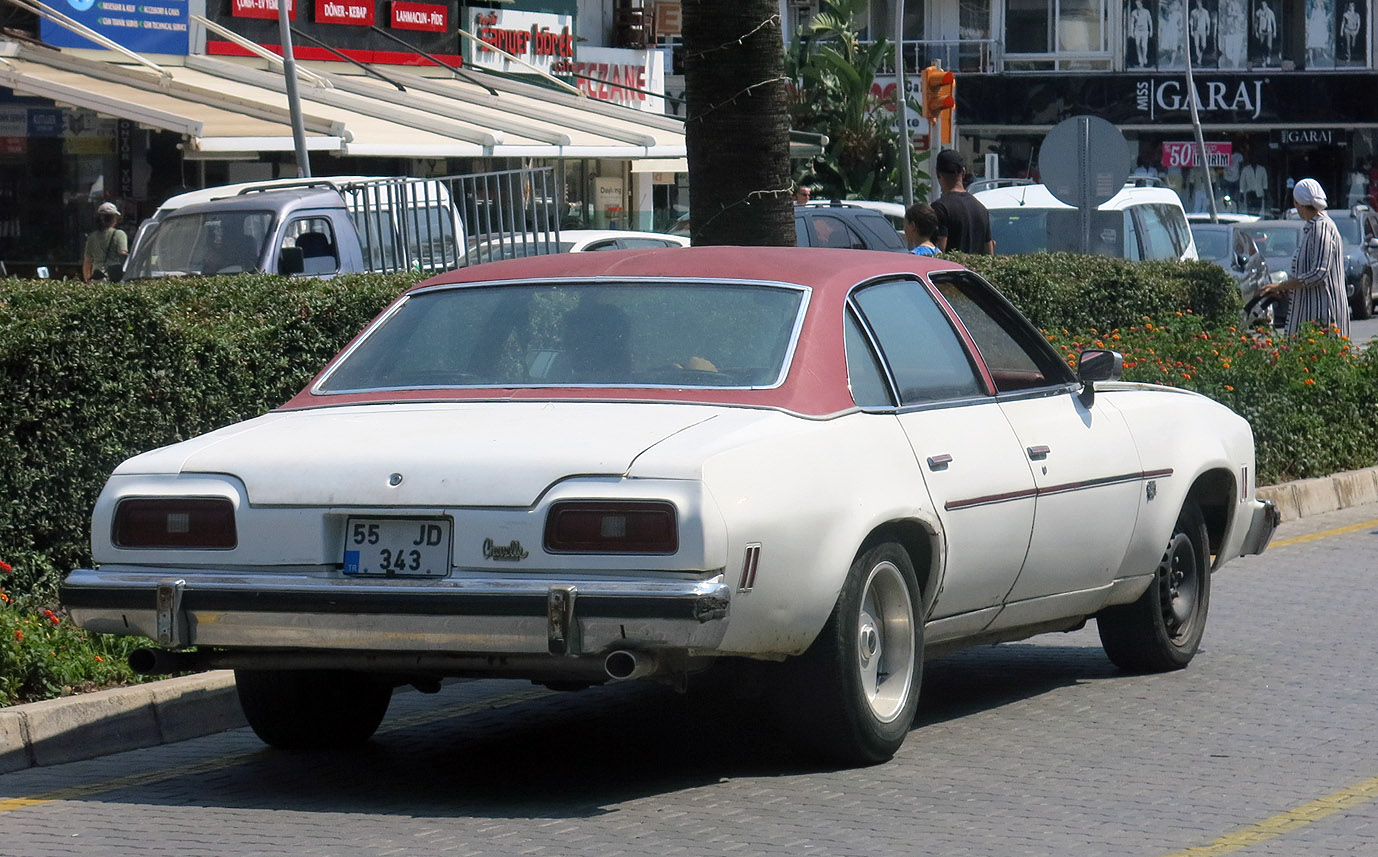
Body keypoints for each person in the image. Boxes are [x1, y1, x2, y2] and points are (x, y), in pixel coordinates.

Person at [1259, 178, 1350, 337]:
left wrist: (1281, 286)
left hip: (1324, 313)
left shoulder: (1321, 228)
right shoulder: (1313, 227)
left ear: (1297, 203)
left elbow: (1318, 273)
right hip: (1310, 312)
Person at [931, 149, 994, 254]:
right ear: (963, 172)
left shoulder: (939, 208)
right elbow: (989, 252)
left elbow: (938, 252)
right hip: (974, 270)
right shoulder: (981, 209)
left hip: (950, 270)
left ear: (938, 174)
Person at [82, 201, 127, 283]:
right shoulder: (119, 234)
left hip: (97, 276)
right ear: (114, 218)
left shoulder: (92, 237)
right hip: (114, 277)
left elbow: (87, 262)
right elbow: (123, 255)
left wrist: (88, 280)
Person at [1129, 0, 1154, 66]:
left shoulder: (1146, 12)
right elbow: (1132, 23)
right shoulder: (1134, 12)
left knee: (1144, 45)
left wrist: (1151, 31)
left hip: (1145, 30)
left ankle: (1144, 57)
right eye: (1136, 4)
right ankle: (1140, 59)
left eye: (1139, 4)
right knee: (1137, 45)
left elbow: (1150, 21)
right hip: (1137, 30)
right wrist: (1131, 32)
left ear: (1142, 4)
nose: (1138, 5)